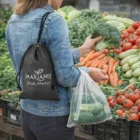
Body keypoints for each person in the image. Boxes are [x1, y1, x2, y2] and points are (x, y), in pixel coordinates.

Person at [6, 0, 108, 140]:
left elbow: (38, 62)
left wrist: (82, 50)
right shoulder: (53, 20)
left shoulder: (14, 20)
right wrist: (88, 73)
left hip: (27, 111)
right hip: (53, 118)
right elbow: (66, 77)